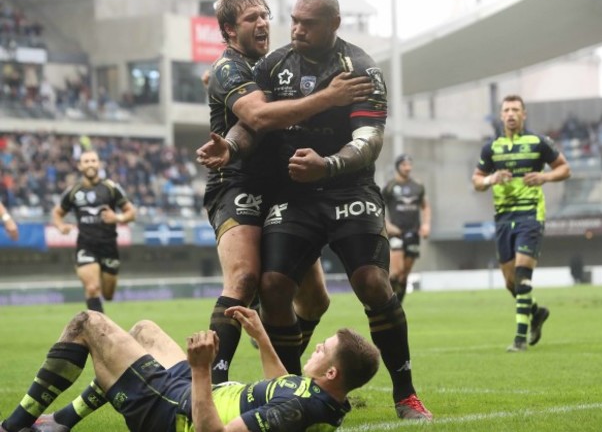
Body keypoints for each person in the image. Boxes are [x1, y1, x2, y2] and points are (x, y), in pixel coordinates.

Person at [205, 0, 433, 420]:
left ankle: (405, 394)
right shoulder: (274, 65)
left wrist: (326, 166)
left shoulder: (360, 68)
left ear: (334, 25)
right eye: (292, 20)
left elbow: (370, 141)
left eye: (306, 24)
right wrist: (231, 149)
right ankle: (291, 392)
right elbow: (253, 122)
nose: (294, 29)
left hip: (349, 188)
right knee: (270, 286)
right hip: (294, 194)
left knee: (370, 282)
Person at [198, 0, 374, 385]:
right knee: (244, 279)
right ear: (228, 29)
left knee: (314, 299)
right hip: (237, 182)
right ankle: (212, 386)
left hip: (283, 188)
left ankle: (283, 371)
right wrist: (329, 97)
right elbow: (258, 117)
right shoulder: (228, 69)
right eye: (250, 19)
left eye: (265, 15)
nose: (263, 23)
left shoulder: (274, 66)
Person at [0, 306, 380, 432]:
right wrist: (262, 337)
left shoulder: (301, 410)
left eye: (324, 348)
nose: (317, 346)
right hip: (195, 394)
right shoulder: (313, 394)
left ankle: (12, 426)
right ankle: (62, 420)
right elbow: (280, 384)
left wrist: (201, 369)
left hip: (177, 411)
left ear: (332, 374)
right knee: (144, 331)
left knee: (88, 323)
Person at [471, 95, 571, 352]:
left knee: (523, 273)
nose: (511, 114)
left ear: (524, 114)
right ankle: (536, 313)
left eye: (516, 109)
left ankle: (519, 338)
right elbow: (476, 181)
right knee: (510, 281)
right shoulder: (491, 148)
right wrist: (491, 179)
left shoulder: (538, 142)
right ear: (501, 115)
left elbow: (564, 169)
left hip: (530, 215)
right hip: (503, 217)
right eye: (507, 110)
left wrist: (544, 177)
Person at [52, 149, 136, 313]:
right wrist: (61, 226)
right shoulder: (73, 191)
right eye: (86, 161)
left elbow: (131, 213)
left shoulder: (111, 188)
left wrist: (117, 218)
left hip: (109, 246)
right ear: (79, 166)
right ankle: (99, 332)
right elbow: (57, 213)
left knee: (108, 294)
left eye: (93, 161)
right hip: (86, 245)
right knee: (92, 288)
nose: (90, 164)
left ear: (98, 164)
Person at [382, 154, 431, 303]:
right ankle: (386, 302)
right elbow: (378, 208)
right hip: (396, 233)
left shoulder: (418, 186)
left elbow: (425, 206)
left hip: (413, 232)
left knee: (404, 275)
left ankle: (398, 306)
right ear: (398, 167)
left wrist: (426, 224)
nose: (408, 168)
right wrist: (387, 226)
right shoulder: (390, 187)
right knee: (395, 273)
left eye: (410, 165)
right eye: (404, 165)